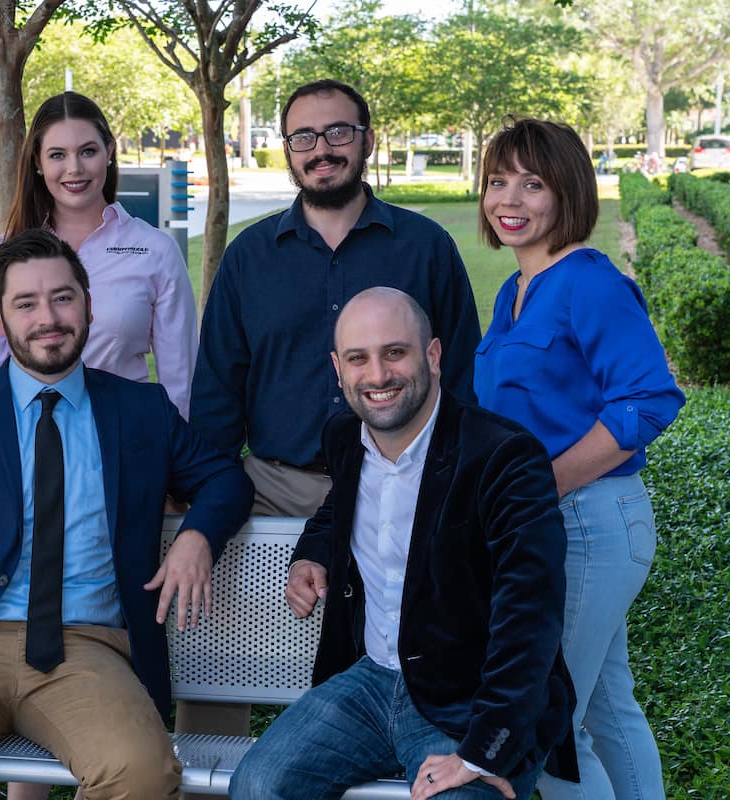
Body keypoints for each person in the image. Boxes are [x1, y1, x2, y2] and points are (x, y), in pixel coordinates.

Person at [0, 229, 253, 800]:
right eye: (25, 303)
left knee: (141, 774)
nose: (48, 317)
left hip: (87, 649)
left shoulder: (140, 411)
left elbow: (226, 478)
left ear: (88, 303)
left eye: (62, 297)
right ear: (1, 316)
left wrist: (198, 534)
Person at [228, 287, 577, 800]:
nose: (377, 376)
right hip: (369, 681)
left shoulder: (504, 458)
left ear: (432, 356)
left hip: (470, 699)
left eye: (395, 352)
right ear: (338, 368)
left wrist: (485, 751)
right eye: (358, 359)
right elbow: (340, 506)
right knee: (258, 786)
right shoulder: (346, 436)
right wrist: (312, 551)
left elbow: (531, 617)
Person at [473, 118, 686, 800]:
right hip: (554, 527)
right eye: (497, 181)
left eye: (532, 183)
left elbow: (649, 399)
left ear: (567, 192)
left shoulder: (587, 282)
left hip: (590, 525)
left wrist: (543, 486)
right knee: (605, 709)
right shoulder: (515, 292)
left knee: (547, 723)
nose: (510, 198)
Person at [191, 78, 481, 519]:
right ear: (289, 149)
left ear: (367, 140)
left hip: (406, 487)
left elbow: (460, 371)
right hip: (275, 492)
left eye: (338, 132)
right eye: (303, 137)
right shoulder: (248, 257)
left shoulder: (426, 248)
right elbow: (218, 389)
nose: (321, 149)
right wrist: (208, 494)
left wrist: (454, 479)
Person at [0, 91, 196, 417]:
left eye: (88, 151)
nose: (74, 168)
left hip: (125, 440)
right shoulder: (4, 252)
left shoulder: (155, 251)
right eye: (57, 155)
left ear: (109, 152)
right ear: (37, 162)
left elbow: (181, 379)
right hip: (28, 445)